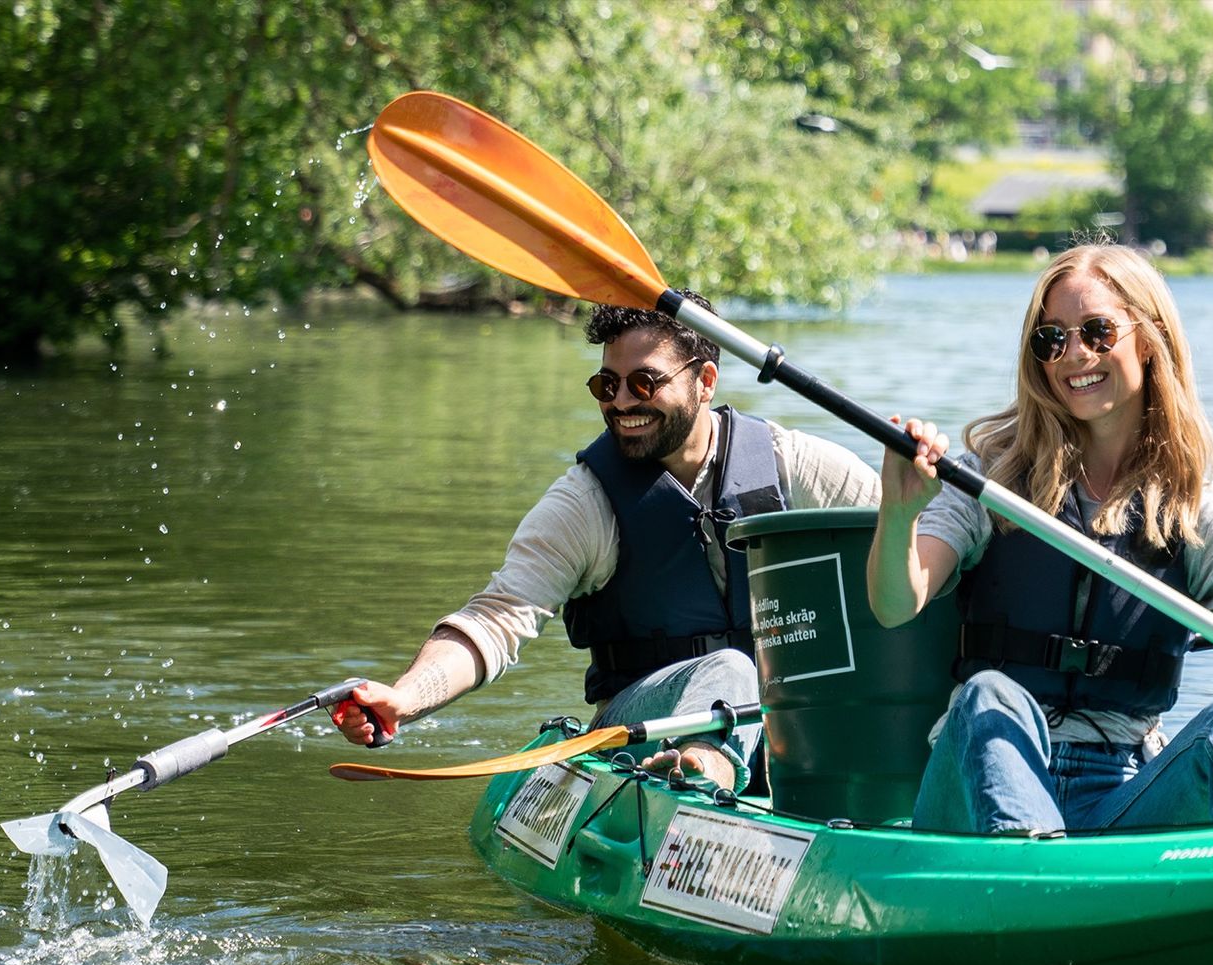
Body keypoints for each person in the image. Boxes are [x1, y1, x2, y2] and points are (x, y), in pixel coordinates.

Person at [866, 244, 1213, 835]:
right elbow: (894, 603)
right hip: (984, 775)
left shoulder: (1197, 509)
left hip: (1119, 791)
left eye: (1098, 332)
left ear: (1148, 339)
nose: (1075, 354)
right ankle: (1035, 871)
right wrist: (900, 513)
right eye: (1052, 339)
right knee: (990, 694)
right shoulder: (986, 481)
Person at [333, 291, 881, 790]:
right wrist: (407, 698)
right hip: (640, 728)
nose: (620, 403)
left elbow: (909, 544)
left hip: (790, 720)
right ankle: (699, 772)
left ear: (705, 382)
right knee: (732, 668)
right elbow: (497, 618)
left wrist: (913, 485)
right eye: (606, 385)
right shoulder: (585, 503)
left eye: (644, 383)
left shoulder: (793, 465)